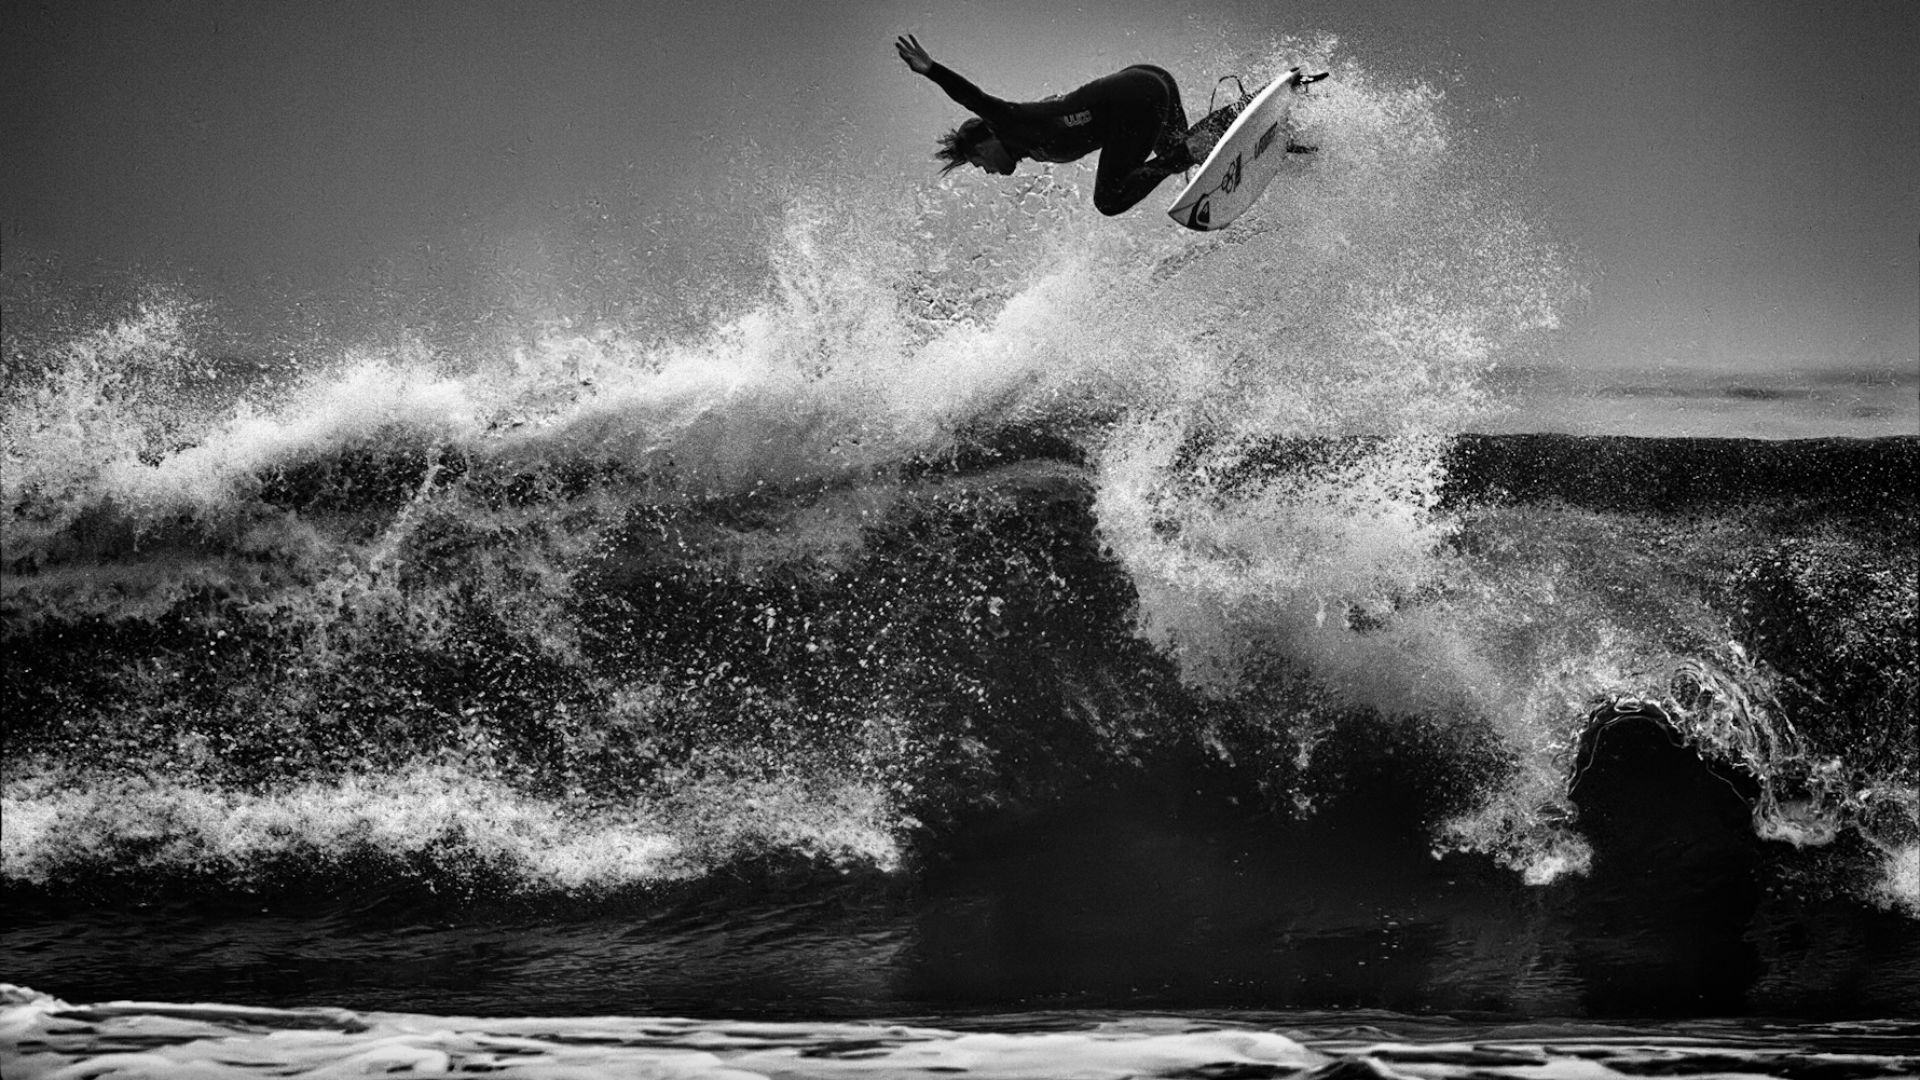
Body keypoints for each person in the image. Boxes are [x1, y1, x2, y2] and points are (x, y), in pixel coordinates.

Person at [894, 34, 1198, 217]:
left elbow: (973, 98)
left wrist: (932, 70)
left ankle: (1193, 149)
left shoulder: (1009, 123)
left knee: (1108, 198)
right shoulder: (1031, 144)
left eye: (978, 162)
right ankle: (1225, 122)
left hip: (1134, 99)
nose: (986, 170)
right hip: (1148, 83)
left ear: (985, 142)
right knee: (1179, 153)